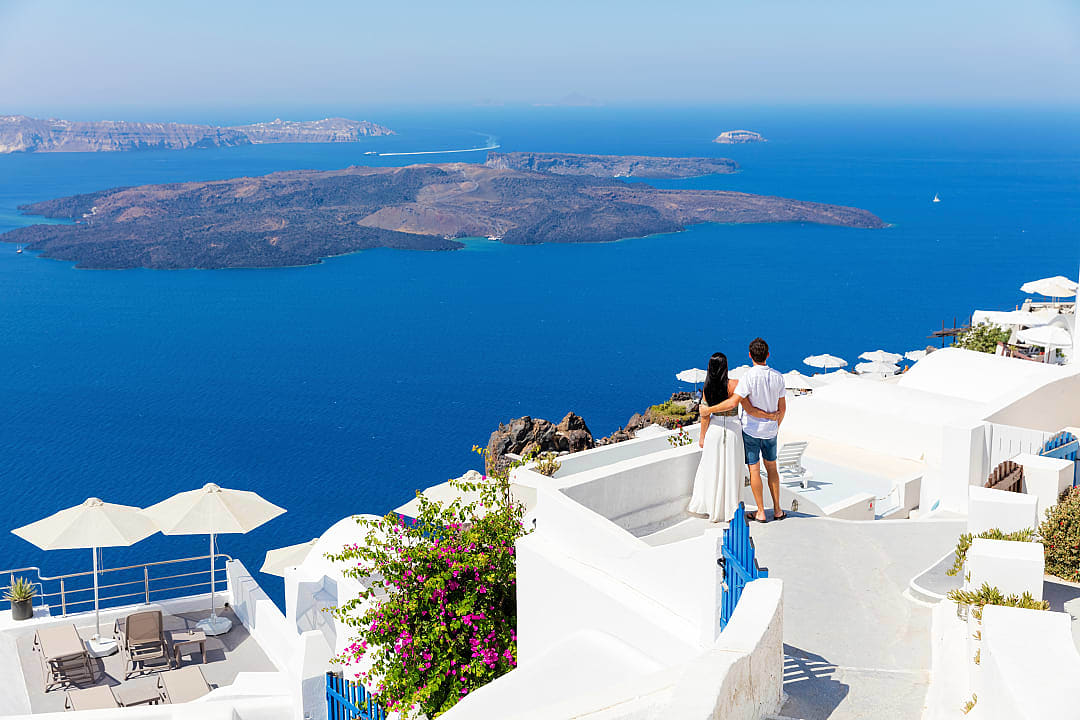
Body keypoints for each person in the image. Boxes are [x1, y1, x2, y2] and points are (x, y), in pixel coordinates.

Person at [689, 351, 780, 523]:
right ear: (726, 367)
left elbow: (705, 416)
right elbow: (750, 410)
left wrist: (702, 437)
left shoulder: (707, 388)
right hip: (733, 431)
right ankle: (730, 507)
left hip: (714, 432)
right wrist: (770, 416)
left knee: (713, 469)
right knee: (731, 469)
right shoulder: (735, 385)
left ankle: (713, 507)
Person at [737, 337, 787, 522]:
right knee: (772, 469)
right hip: (770, 432)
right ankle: (777, 510)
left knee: (754, 470)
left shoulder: (747, 377)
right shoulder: (778, 377)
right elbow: (782, 408)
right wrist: (774, 423)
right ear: (768, 354)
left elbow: (748, 409)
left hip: (750, 430)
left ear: (750, 355)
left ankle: (759, 511)